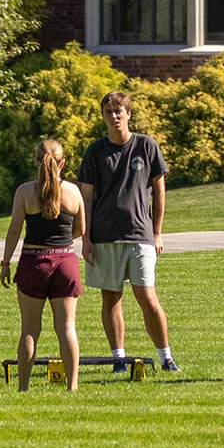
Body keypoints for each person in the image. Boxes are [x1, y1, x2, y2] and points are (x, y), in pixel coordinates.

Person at [77, 88, 178, 379]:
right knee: (111, 299)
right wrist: (86, 238)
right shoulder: (95, 151)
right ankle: (118, 358)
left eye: (119, 111)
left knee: (147, 297)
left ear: (129, 114)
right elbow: (86, 197)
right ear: (103, 117)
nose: (114, 116)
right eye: (109, 112)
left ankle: (166, 357)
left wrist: (157, 233)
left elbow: (159, 190)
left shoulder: (146, 146)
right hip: (104, 236)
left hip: (140, 234)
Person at [0, 135, 89, 389]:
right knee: (67, 328)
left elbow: (15, 229)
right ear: (62, 163)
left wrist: (5, 263)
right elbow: (81, 228)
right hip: (65, 263)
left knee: (29, 330)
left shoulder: (25, 191)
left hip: (32, 262)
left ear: (37, 162)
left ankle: (24, 386)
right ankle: (72, 386)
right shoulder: (72, 191)